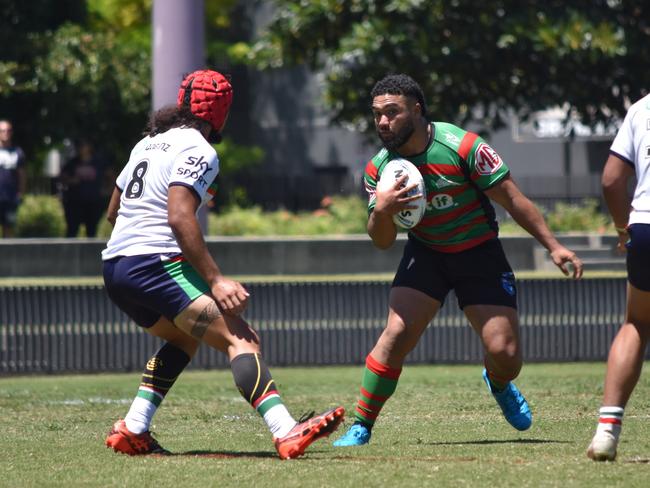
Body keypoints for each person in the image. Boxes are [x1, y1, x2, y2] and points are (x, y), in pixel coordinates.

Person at [102, 69, 344, 459]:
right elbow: (180, 218)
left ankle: (132, 428)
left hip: (116, 267)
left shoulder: (145, 144)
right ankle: (285, 431)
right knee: (241, 339)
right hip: (155, 264)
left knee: (182, 339)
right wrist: (215, 280)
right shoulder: (200, 150)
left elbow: (113, 211)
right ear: (222, 113)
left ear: (182, 102)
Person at [333, 74, 583, 447]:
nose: (383, 122)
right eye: (377, 115)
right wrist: (381, 212)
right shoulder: (380, 170)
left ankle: (498, 381)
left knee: (505, 354)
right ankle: (362, 425)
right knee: (396, 333)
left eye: (392, 112)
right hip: (427, 254)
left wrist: (553, 245)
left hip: (478, 253)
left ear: (416, 110)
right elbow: (382, 241)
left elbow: (513, 199)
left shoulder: (463, 147)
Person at [587, 93, 650, 462]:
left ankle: (607, 432)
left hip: (644, 224)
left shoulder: (641, 107)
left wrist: (622, 228)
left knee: (637, 323)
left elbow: (612, 180)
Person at [60, 139, 110, 237]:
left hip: (93, 201)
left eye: (83, 145)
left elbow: (111, 175)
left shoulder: (98, 162)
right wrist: (71, 180)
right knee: (72, 231)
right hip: (75, 202)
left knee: (91, 231)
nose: (81, 148)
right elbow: (62, 178)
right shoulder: (72, 163)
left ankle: (90, 252)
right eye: (79, 146)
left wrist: (107, 189)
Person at [0, 119, 26, 237]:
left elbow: (22, 174)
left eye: (8, 130)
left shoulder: (18, 152)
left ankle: (7, 254)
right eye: (2, 130)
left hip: (10, 197)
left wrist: (20, 193)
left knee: (9, 226)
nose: (5, 133)